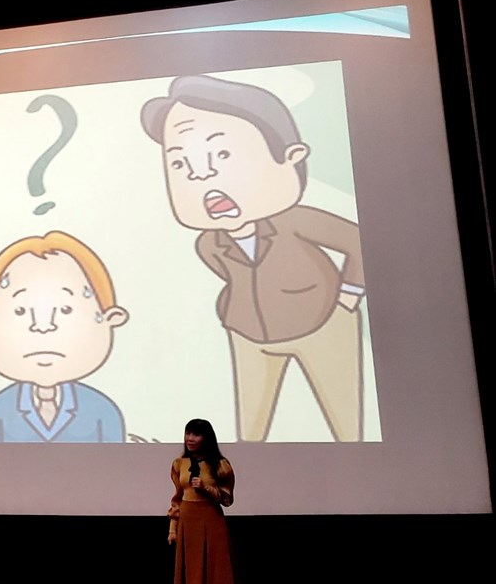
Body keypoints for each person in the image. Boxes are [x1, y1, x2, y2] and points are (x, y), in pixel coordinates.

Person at [141, 74, 365, 442]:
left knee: (346, 422)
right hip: (248, 335)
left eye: (223, 155)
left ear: (291, 158)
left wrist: (348, 297)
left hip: (322, 322)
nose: (202, 175)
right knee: (250, 428)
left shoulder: (298, 221)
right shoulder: (209, 244)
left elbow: (357, 241)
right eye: (180, 164)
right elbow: (232, 274)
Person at [0, 231, 129, 442]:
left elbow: (116, 459)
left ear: (110, 319)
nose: (43, 327)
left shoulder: (102, 409)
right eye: (20, 311)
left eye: (66, 310)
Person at [168, 418, 238, 584]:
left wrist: (207, 489)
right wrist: (173, 528)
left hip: (212, 521)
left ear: (206, 438)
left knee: (216, 579)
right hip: (188, 523)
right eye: (188, 433)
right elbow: (177, 498)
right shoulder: (179, 464)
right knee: (193, 579)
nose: (190, 439)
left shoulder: (221, 465)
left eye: (196, 434)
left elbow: (227, 499)